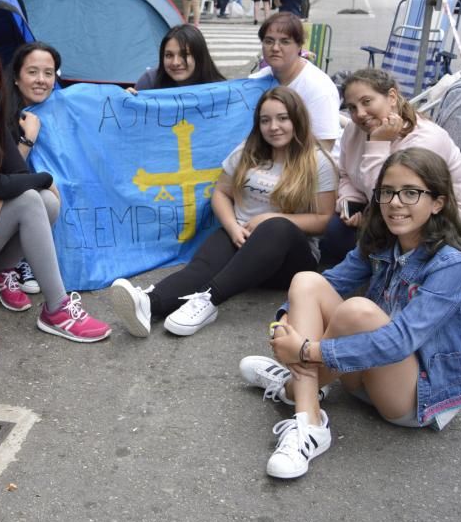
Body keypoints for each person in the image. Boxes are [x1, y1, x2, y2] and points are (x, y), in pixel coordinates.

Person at [239, 147, 461, 479]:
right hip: (363, 373)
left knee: (358, 312)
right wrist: (284, 319)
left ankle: (295, 386)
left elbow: (400, 341)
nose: (395, 202)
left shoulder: (451, 265)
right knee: (307, 281)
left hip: (415, 396)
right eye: (387, 192)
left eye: (411, 193)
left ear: (437, 202)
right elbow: (332, 282)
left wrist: (306, 350)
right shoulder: (382, 241)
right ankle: (309, 420)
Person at [109, 87, 336, 338]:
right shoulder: (247, 152)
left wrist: (273, 217)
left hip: (289, 262)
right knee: (201, 267)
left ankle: (208, 301)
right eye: (265, 120)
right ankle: (150, 304)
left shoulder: (317, 161)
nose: (274, 126)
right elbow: (221, 193)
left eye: (283, 118)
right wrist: (232, 227)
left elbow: (323, 220)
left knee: (276, 228)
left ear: (297, 119)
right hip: (243, 241)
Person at [0, 42, 111, 343]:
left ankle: (0, 271)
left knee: (47, 200)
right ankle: (58, 309)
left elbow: (16, 173)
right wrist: (44, 177)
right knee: (32, 198)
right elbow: (0, 183)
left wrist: (0, 193)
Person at [321, 68, 461, 264]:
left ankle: (394, 276)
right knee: (334, 235)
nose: (360, 114)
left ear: (391, 97)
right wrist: (350, 203)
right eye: (352, 107)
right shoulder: (353, 129)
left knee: (392, 251)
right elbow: (346, 174)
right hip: (386, 211)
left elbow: (389, 195)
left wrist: (378, 143)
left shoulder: (425, 139)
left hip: (439, 217)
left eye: (366, 102)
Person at [4, 40, 63, 292]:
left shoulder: (61, 105)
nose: (41, 79)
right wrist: (28, 138)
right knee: (40, 199)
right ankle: (17, 261)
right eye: (32, 72)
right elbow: (4, 176)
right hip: (9, 199)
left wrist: (122, 99)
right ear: (16, 78)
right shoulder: (2, 113)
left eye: (48, 73)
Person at [252, 13, 341, 152]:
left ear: (299, 46)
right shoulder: (255, 81)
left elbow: (324, 145)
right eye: (269, 41)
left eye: (285, 42)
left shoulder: (319, 88)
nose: (275, 48)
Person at [128, 25, 226, 94]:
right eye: (169, 55)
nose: (175, 63)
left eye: (184, 54)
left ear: (199, 56)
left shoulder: (221, 90)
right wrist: (125, 103)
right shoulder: (150, 81)